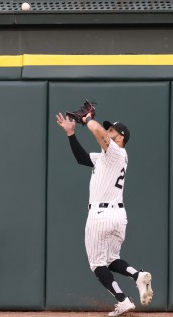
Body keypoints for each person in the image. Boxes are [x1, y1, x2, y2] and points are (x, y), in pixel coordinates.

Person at [55, 111, 153, 317]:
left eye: (112, 130)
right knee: (110, 260)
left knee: (97, 265)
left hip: (100, 215)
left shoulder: (116, 152)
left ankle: (123, 300)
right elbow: (82, 158)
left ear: (121, 138)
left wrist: (88, 119)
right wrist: (71, 134)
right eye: (109, 129)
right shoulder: (107, 157)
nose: (108, 132)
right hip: (118, 216)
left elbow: (99, 132)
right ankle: (138, 275)